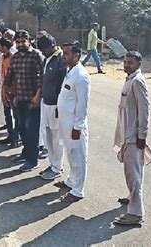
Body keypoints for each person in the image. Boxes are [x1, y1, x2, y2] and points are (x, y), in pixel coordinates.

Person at [113, 51, 151, 226]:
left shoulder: (138, 82)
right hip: (127, 134)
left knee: (133, 173)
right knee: (133, 171)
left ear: (138, 64)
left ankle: (136, 213)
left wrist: (142, 136)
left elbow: (144, 111)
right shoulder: (130, 79)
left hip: (133, 136)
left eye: (130, 63)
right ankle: (132, 198)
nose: (126, 65)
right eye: (125, 62)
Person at [55, 42, 91, 203]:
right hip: (65, 122)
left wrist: (78, 127)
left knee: (79, 155)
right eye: (63, 53)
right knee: (70, 153)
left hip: (74, 124)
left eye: (67, 54)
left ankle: (78, 190)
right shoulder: (70, 71)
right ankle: (71, 181)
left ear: (77, 56)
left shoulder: (81, 76)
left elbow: (83, 104)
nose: (64, 56)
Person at [4, 30, 43, 172]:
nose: (20, 44)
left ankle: (33, 160)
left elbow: (41, 79)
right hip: (19, 99)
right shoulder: (15, 58)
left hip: (33, 100)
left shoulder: (36, 56)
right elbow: (10, 76)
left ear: (29, 41)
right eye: (18, 42)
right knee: (21, 128)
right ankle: (26, 153)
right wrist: (7, 92)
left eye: (23, 42)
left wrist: (38, 96)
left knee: (31, 130)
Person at [37, 34, 67, 180]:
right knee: (48, 136)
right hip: (46, 102)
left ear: (52, 46)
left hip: (55, 105)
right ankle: (52, 164)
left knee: (56, 138)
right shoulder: (47, 59)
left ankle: (58, 167)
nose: (42, 52)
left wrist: (59, 106)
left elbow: (62, 85)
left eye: (44, 49)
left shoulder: (60, 60)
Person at [0, 38, 19, 147]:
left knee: (16, 116)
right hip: (5, 89)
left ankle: (16, 138)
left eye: (0, 46)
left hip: (13, 90)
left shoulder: (13, 58)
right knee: (7, 115)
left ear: (5, 47)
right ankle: (10, 136)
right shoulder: (2, 57)